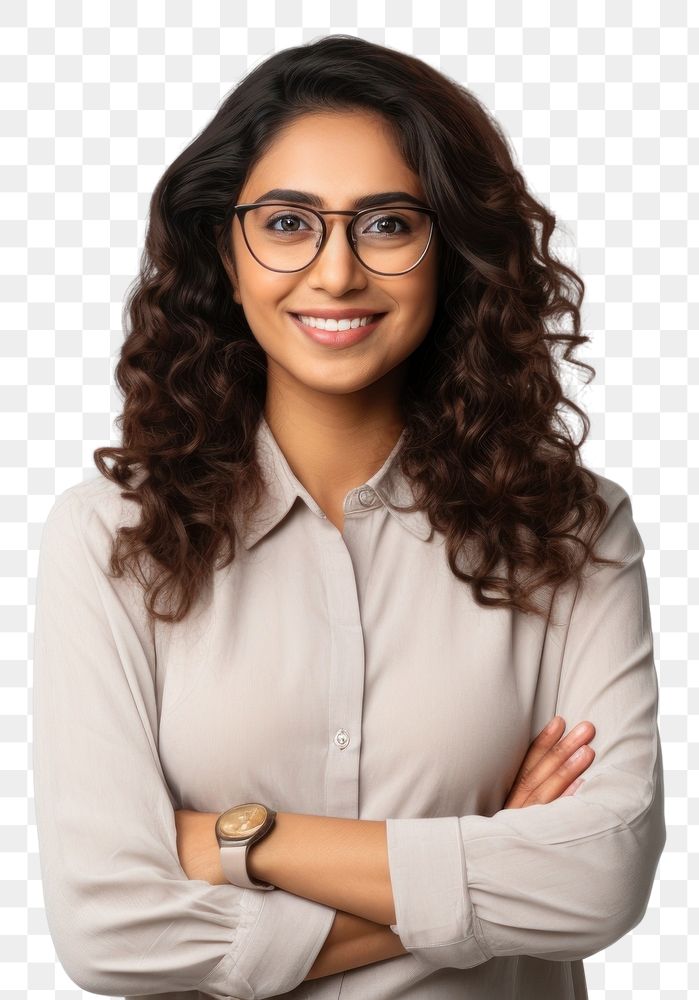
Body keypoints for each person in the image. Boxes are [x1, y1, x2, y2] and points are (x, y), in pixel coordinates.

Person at [31, 33, 665, 1000]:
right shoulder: (110, 538)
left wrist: (242, 844)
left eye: (386, 224)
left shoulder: (571, 531)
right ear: (224, 251)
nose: (334, 274)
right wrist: (485, 859)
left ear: (448, 250)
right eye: (287, 223)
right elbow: (108, 930)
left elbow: (599, 876)